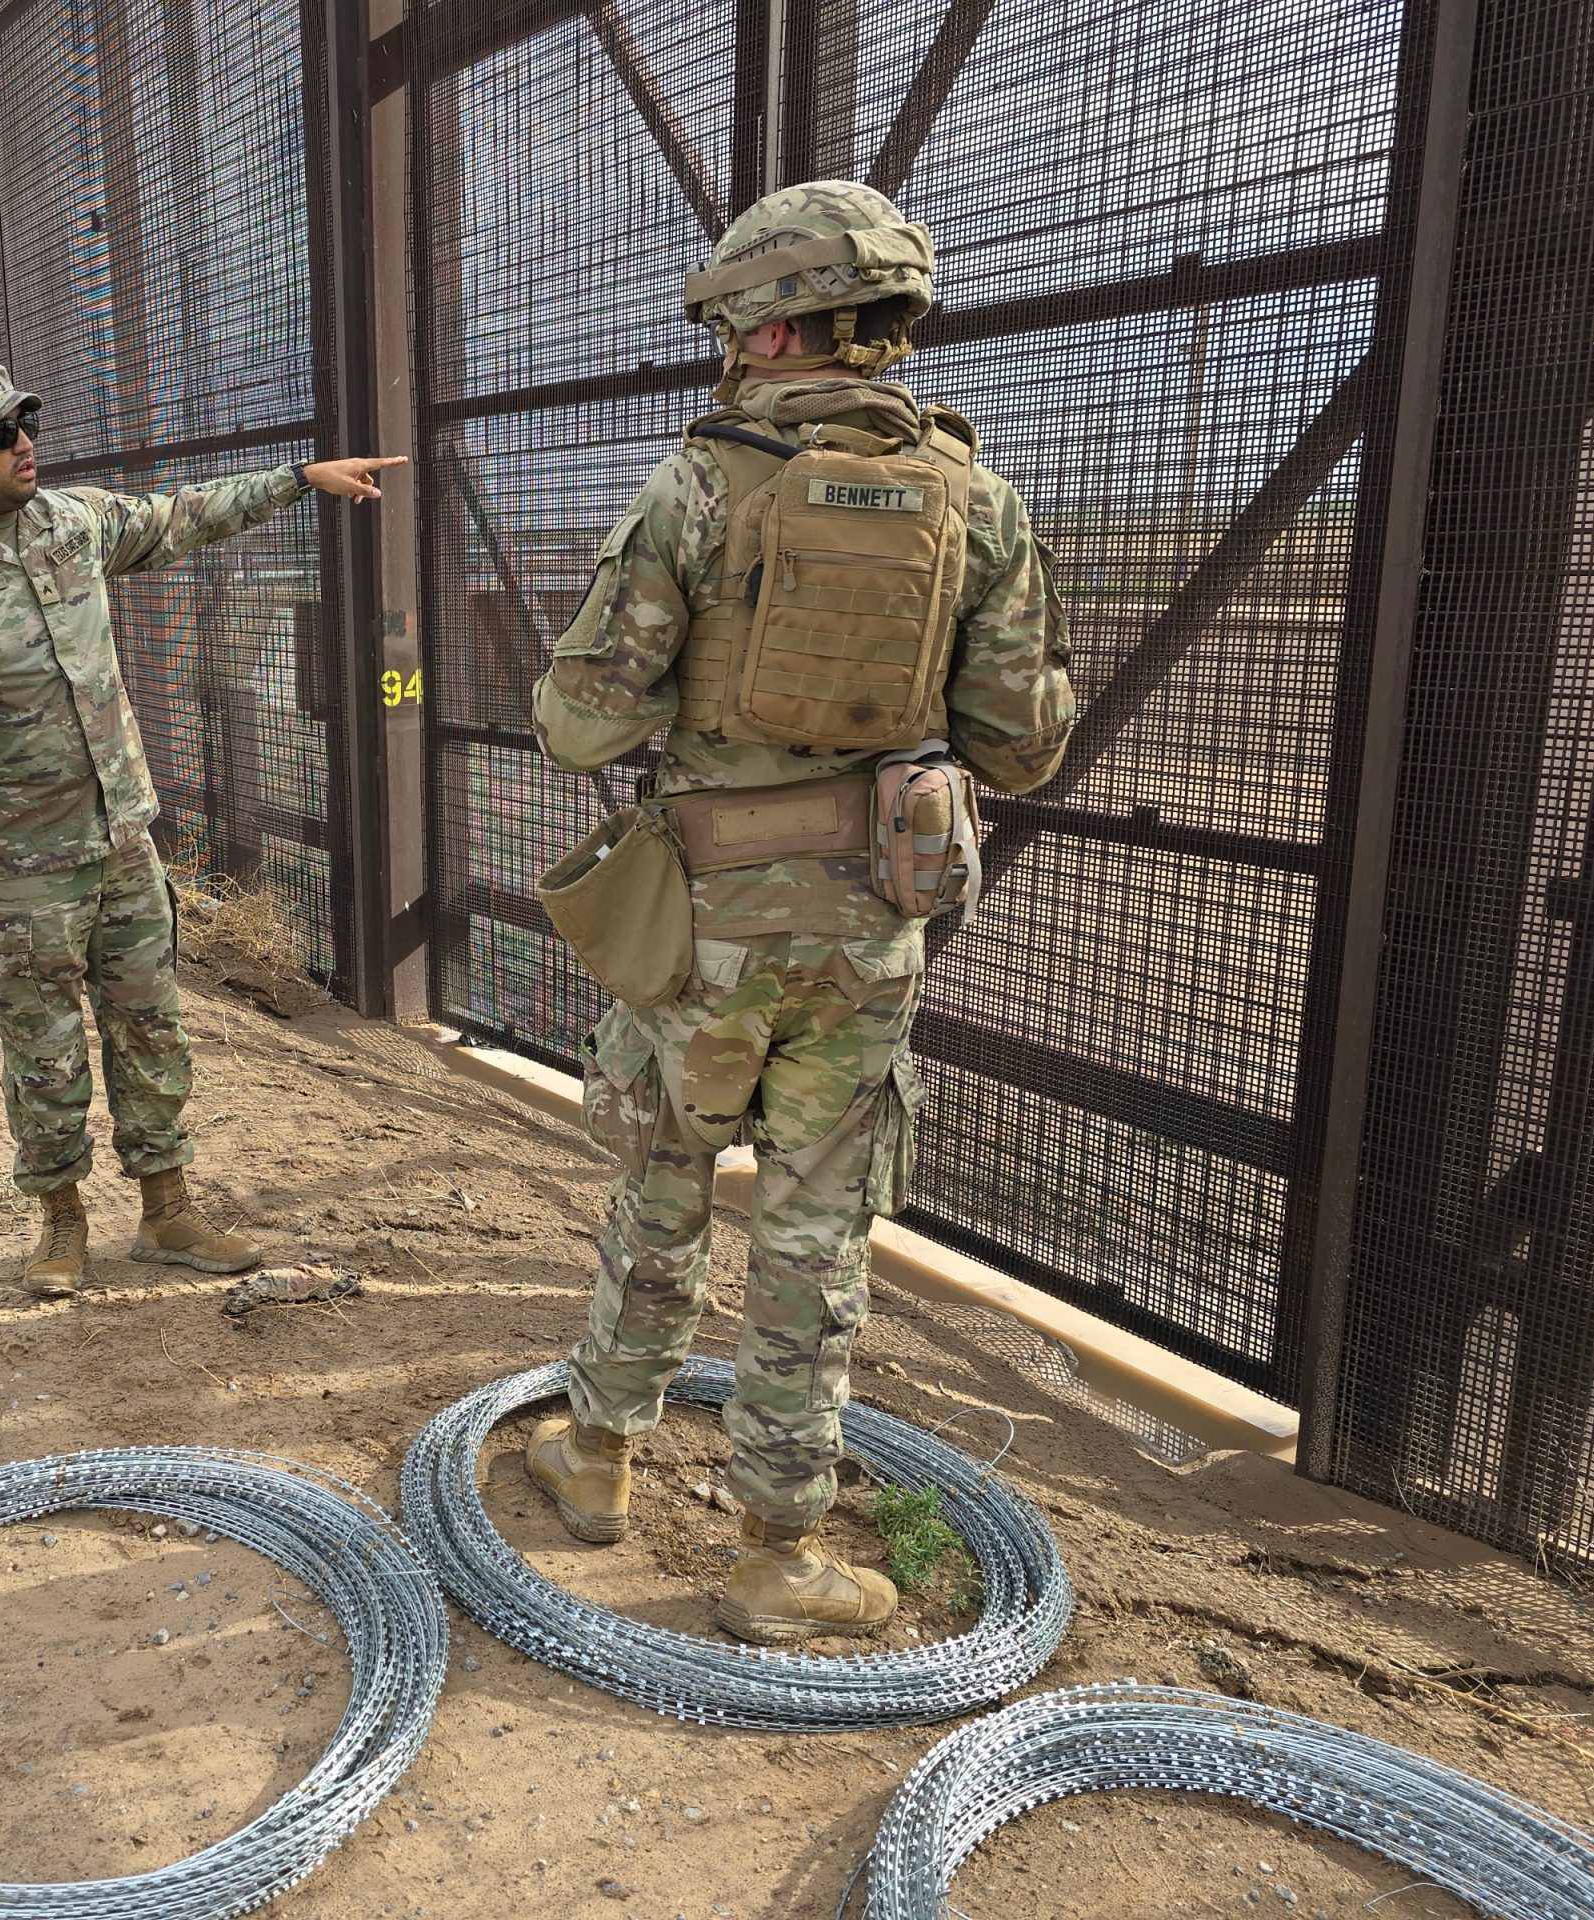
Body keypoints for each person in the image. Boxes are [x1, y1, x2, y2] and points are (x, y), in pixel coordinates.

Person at [524, 182, 1075, 1644]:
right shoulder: (981, 501)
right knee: (818, 1231)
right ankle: (779, 1551)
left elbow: (581, 727)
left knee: (663, 1183)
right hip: (870, 925)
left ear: (766, 326)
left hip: (703, 927)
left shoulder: (697, 486)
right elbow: (1022, 746)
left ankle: (596, 1457)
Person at [0, 358, 403, 1298]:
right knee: (44, 1047)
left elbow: (180, 515)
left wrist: (298, 480)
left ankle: (166, 1209)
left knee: (151, 1027)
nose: (25, 443)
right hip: (19, 862)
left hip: (121, 839)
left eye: (27, 423)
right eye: (1, 433)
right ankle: (62, 1222)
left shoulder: (70, 523)